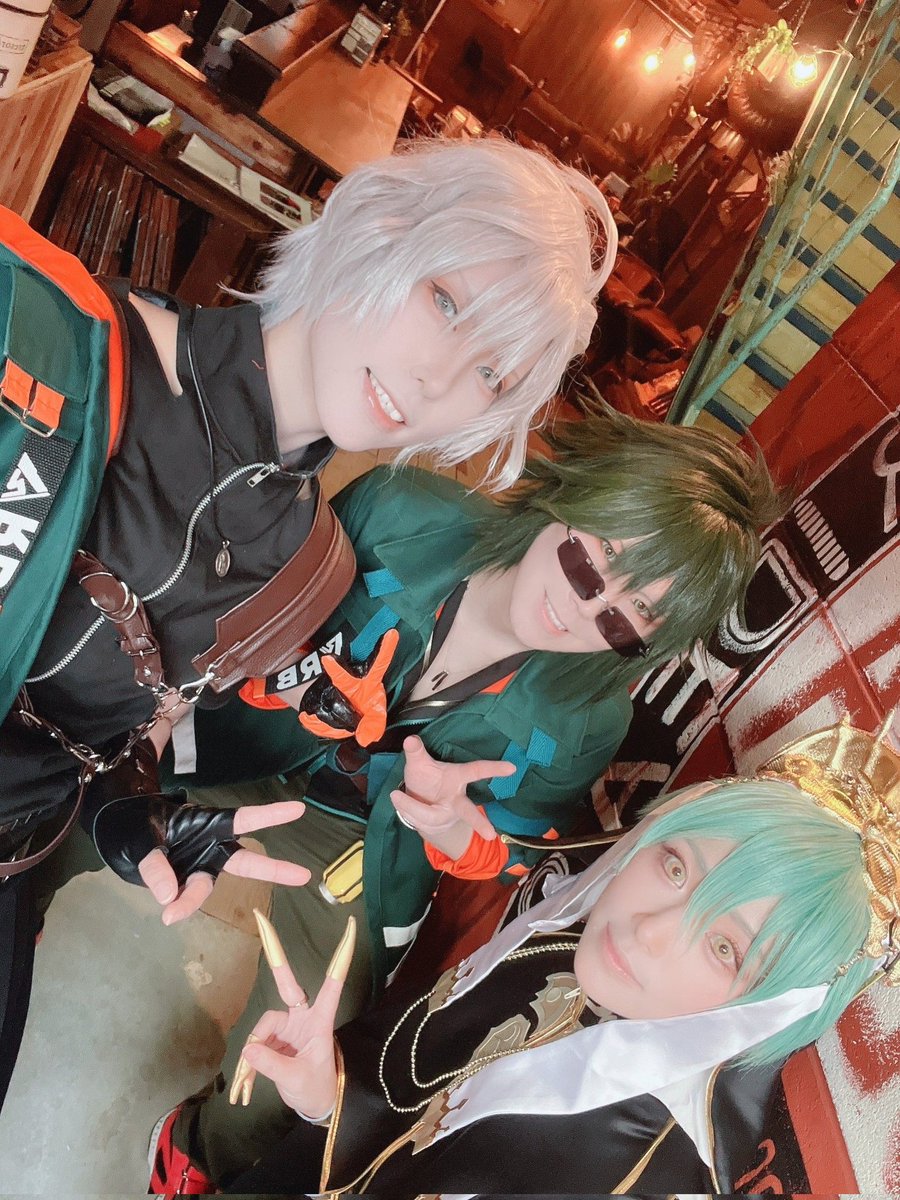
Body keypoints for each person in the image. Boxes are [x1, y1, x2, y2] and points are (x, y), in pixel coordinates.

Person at [0, 135, 618, 1098]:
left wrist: (133, 809)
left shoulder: (305, 567)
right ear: (378, 228)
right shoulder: (49, 342)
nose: (438, 380)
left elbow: (136, 718)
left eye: (492, 377)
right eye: (445, 302)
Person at [152, 403, 786, 1189]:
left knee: (309, 1034)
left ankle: (196, 1151)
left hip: (364, 844)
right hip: (240, 741)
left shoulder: (588, 719)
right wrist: (290, 684)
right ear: (574, 494)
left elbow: (510, 855)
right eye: (592, 564)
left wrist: (453, 828)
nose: (581, 610)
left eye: (626, 620)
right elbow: (246, 613)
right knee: (83, 809)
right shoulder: (399, 512)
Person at [215, 714, 899, 1195]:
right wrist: (325, 1096)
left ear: (770, 1008)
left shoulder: (647, 1174)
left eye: (725, 947)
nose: (650, 931)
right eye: (674, 867)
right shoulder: (568, 952)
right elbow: (411, 1114)